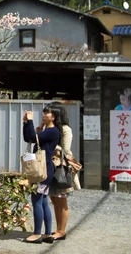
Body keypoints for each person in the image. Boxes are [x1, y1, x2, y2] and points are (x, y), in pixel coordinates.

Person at [22, 104, 62, 244]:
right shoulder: (48, 130)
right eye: (44, 112)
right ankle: (47, 234)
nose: (44, 115)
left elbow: (33, 136)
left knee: (37, 200)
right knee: (43, 201)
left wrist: (31, 122)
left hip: (42, 170)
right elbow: (29, 138)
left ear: (54, 116)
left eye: (47, 113)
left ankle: (37, 233)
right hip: (45, 170)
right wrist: (26, 123)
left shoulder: (53, 131)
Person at [48, 102, 80, 241]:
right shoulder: (51, 127)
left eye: (49, 112)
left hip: (61, 167)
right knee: (54, 199)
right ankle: (58, 229)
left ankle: (62, 231)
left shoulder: (65, 129)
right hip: (51, 165)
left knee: (61, 200)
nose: (46, 114)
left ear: (56, 114)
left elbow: (66, 150)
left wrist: (52, 144)